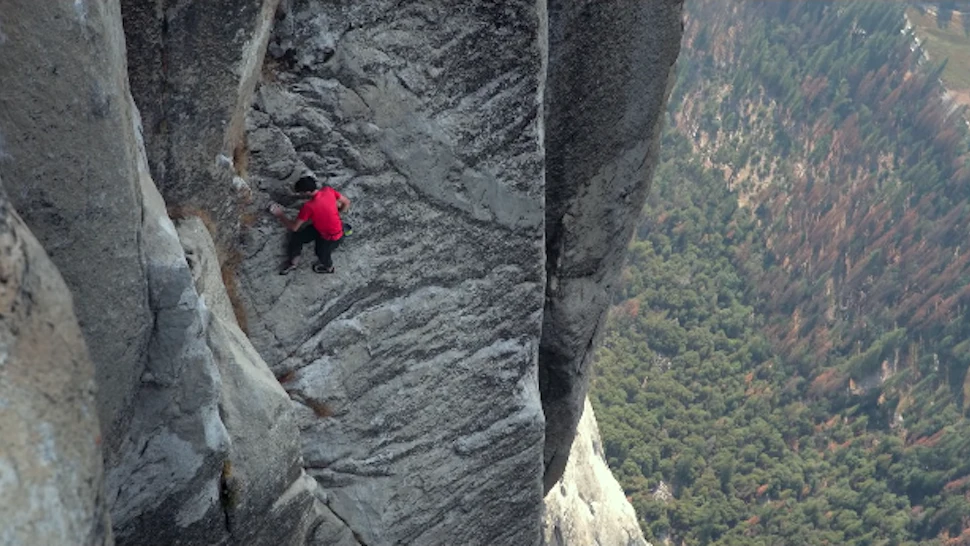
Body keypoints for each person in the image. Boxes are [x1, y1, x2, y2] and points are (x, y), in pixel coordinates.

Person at [270, 175, 350, 275]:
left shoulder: (309, 207)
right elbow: (346, 202)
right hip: (325, 228)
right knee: (298, 237)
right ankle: (294, 262)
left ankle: (329, 268)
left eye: (301, 192)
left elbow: (294, 227)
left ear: (307, 192)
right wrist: (337, 213)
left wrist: (280, 214)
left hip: (332, 236)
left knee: (321, 253)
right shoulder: (328, 190)